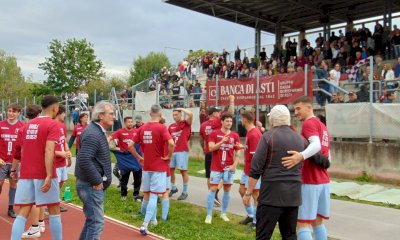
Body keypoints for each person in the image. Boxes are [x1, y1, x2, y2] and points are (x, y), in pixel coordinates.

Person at [10, 95, 62, 240]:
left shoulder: (25, 126)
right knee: (54, 209)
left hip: (26, 174)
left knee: (23, 212)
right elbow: (49, 150)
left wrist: (13, 170)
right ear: (55, 108)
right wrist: (49, 175)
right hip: (42, 173)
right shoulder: (53, 125)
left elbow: (17, 152)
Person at [282, 96, 331, 240]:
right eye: (294, 109)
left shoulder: (309, 124)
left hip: (310, 180)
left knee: (302, 223)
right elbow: (329, 155)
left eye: (298, 108)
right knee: (317, 221)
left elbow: (315, 145)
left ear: (309, 107)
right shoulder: (323, 126)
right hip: (323, 180)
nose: (295, 112)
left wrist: (300, 156)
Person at [129, 104, 174, 235]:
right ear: (160, 114)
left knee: (148, 193)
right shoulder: (162, 127)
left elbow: (130, 145)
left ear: (150, 113)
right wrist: (169, 156)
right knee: (154, 195)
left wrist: (138, 157)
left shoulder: (142, 128)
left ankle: (153, 220)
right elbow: (171, 143)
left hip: (146, 166)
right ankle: (144, 224)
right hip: (159, 166)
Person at [75, 101, 115, 240]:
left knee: (92, 221)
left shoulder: (95, 131)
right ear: (101, 116)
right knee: (97, 223)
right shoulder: (93, 133)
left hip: (90, 185)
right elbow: (84, 159)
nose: (114, 117)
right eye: (111, 114)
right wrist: (97, 181)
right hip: (91, 186)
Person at [205, 113, 241, 224]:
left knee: (227, 190)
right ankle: (209, 215)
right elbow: (210, 148)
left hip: (229, 168)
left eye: (231, 121)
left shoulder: (235, 135)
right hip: (216, 167)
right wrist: (221, 142)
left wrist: (234, 165)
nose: (229, 123)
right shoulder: (214, 133)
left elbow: (238, 150)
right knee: (212, 189)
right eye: (227, 121)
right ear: (222, 121)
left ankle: (223, 213)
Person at [199, 96, 235, 206]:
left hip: (208, 152)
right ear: (213, 114)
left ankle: (211, 195)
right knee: (224, 174)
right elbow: (230, 114)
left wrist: (205, 149)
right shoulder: (217, 122)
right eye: (218, 112)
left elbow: (201, 140)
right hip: (218, 152)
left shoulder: (203, 125)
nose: (219, 113)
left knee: (209, 175)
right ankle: (214, 194)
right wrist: (232, 101)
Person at [238, 110, 262, 230]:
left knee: (255, 195)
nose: (240, 121)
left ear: (245, 120)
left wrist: (254, 173)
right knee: (242, 190)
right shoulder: (250, 132)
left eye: (241, 119)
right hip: (247, 169)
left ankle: (257, 221)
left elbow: (257, 156)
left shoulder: (254, 134)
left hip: (253, 171)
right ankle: (251, 214)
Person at [109, 116, 142, 200]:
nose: (130, 123)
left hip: (135, 157)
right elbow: (110, 137)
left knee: (137, 177)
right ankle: (123, 195)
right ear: (125, 123)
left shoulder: (136, 131)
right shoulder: (120, 132)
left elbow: (143, 140)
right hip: (124, 159)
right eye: (128, 122)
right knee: (124, 178)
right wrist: (107, 143)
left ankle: (136, 195)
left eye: (131, 122)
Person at [0, 104, 24, 218]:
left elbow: (24, 145)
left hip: (15, 162)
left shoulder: (21, 127)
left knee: (13, 184)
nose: (11, 113)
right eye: (9, 111)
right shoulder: (1, 125)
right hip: (2, 161)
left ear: (19, 113)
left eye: (14, 112)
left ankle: (10, 208)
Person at [168, 108, 193, 200]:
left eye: (176, 114)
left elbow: (190, 114)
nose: (174, 116)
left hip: (182, 151)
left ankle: (185, 192)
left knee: (183, 171)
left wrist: (181, 109)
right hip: (172, 151)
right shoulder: (171, 126)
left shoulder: (186, 124)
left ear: (180, 115)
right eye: (173, 115)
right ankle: (173, 187)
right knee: (170, 170)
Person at [54, 105, 72, 210]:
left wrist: (68, 154)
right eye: (64, 113)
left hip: (62, 161)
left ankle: (55, 202)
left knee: (60, 183)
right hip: (54, 161)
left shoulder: (62, 126)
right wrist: (61, 154)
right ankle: (51, 204)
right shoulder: (51, 126)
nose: (65, 115)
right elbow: (47, 149)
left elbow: (64, 141)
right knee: (54, 184)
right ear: (59, 113)